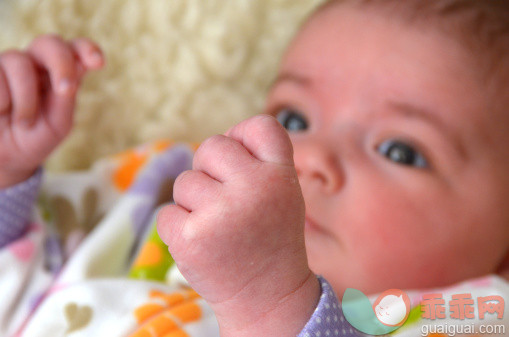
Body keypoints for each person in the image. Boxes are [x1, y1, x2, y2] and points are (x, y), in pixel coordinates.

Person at [0, 0, 508, 336]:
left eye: (400, 150)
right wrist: (9, 171)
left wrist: (271, 302)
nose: (308, 156)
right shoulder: (166, 192)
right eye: (293, 117)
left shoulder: (475, 315)